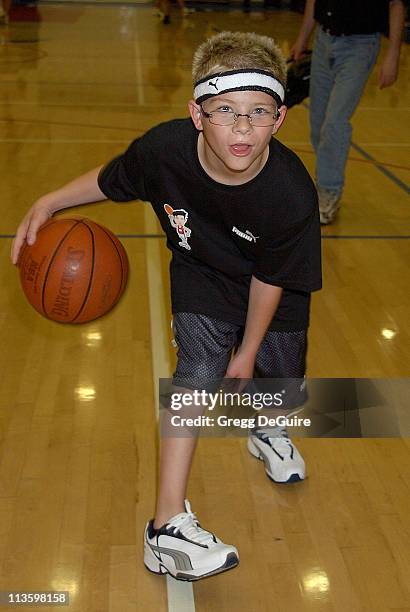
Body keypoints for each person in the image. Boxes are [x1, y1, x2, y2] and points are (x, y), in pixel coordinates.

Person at [11, 31, 322, 581]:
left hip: (270, 283)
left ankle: (268, 428)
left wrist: (247, 352)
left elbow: (271, 282)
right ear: (197, 114)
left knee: (280, 364)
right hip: (202, 272)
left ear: (279, 120)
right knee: (198, 371)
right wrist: (50, 200)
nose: (242, 127)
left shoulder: (291, 193)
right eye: (226, 110)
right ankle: (167, 526)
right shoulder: (164, 151)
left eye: (258, 112)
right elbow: (114, 180)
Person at [290, 0, 405, 224]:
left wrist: (393, 55)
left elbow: (396, 5)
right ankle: (322, 182)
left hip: (360, 46)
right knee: (318, 123)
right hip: (323, 41)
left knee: (335, 122)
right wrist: (302, 39)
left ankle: (328, 190)